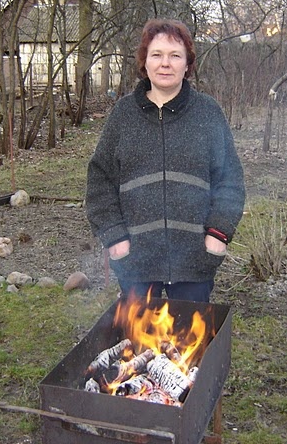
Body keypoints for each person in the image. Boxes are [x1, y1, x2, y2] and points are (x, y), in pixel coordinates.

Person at [85, 18, 245, 302]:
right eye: (156, 55)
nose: (165, 64)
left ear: (187, 64)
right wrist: (114, 236)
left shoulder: (207, 113)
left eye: (175, 56)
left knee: (189, 330)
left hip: (194, 259)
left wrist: (218, 233)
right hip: (135, 260)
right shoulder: (124, 115)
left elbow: (230, 180)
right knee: (137, 331)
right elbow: (100, 180)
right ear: (145, 62)